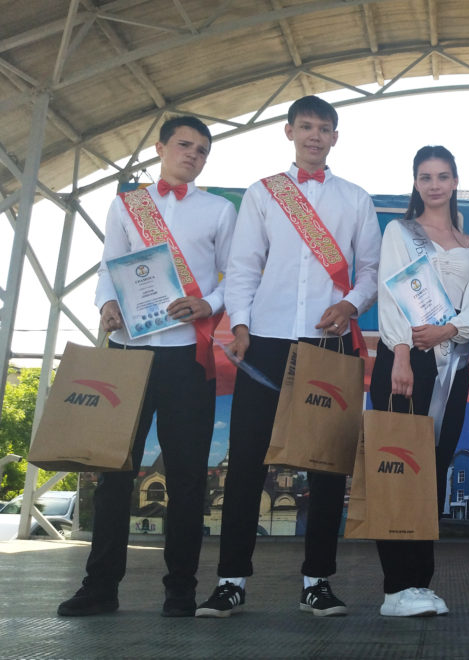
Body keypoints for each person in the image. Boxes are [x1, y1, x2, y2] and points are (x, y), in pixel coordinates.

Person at [195, 95, 381, 618]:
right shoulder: (263, 193)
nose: (314, 136)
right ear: (289, 131)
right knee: (246, 461)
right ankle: (230, 581)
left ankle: (317, 582)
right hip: (266, 341)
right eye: (306, 127)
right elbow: (243, 266)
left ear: (335, 137)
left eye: (323, 128)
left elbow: (371, 270)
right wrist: (241, 325)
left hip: (328, 342)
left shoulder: (356, 198)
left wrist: (350, 303)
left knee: (326, 467)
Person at [58, 116, 237, 617]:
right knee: (113, 472)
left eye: (202, 150)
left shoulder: (220, 211)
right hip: (128, 352)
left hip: (187, 355)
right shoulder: (127, 205)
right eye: (185, 145)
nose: (193, 155)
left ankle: (180, 589)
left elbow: (237, 275)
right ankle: (99, 587)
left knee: (186, 477)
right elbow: (108, 266)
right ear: (160, 148)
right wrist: (105, 304)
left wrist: (208, 303)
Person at [368, 145, 469, 616]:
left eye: (442, 176)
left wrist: (449, 330)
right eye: (425, 177)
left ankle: (421, 583)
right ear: (415, 183)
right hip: (404, 362)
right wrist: (400, 354)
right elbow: (391, 294)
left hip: (451, 366)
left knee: (434, 471)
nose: (434, 185)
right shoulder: (400, 232)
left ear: (455, 181)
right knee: (397, 470)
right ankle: (394, 588)